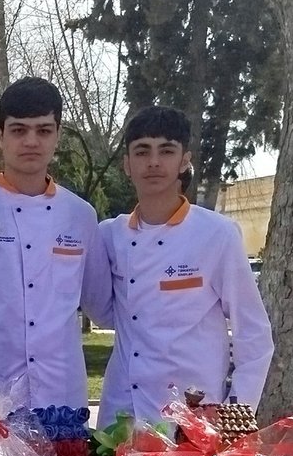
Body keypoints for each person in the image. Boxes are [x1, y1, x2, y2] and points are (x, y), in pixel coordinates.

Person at [88, 106, 273, 425]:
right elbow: (104, 311)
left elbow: (253, 334)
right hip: (121, 415)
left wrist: (234, 418)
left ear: (185, 160)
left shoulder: (217, 234)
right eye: (142, 151)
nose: (154, 162)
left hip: (194, 419)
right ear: (127, 165)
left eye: (166, 151)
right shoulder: (109, 236)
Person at [0, 77, 108, 409]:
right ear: (0, 135)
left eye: (43, 130)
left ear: (58, 135)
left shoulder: (81, 216)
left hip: (63, 403)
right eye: (18, 130)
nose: (31, 141)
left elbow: (104, 306)